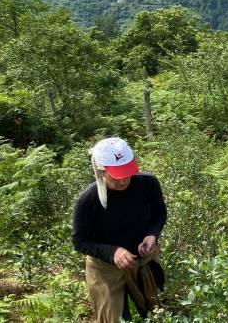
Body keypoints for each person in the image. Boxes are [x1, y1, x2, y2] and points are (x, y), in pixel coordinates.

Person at [72, 137, 167, 322]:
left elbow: (159, 213)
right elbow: (79, 241)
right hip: (106, 269)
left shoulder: (147, 184)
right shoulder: (88, 200)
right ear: (100, 171)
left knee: (155, 310)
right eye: (116, 174)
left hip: (143, 260)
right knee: (116, 317)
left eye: (127, 172)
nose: (124, 180)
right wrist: (113, 252)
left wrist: (152, 234)